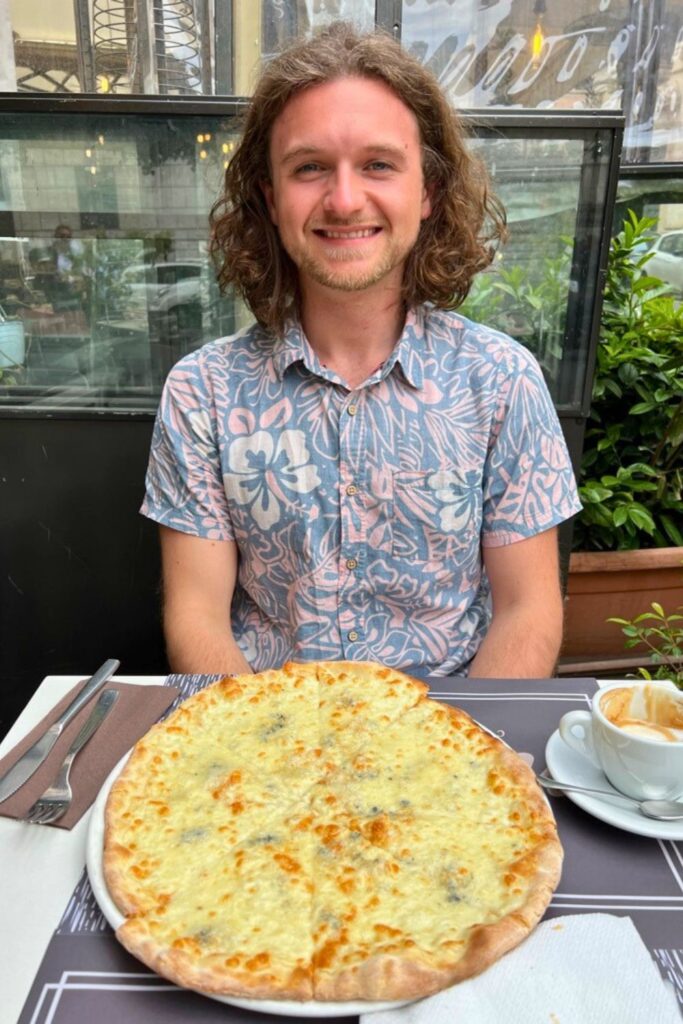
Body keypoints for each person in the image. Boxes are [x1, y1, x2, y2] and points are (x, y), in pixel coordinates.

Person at [141, 23, 582, 678]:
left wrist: (465, 759)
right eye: (309, 167)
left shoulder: (502, 382)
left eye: (378, 164)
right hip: (266, 741)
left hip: (450, 739)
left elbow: (527, 610)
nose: (345, 200)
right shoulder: (202, 393)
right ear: (269, 193)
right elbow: (196, 616)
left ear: (427, 190)